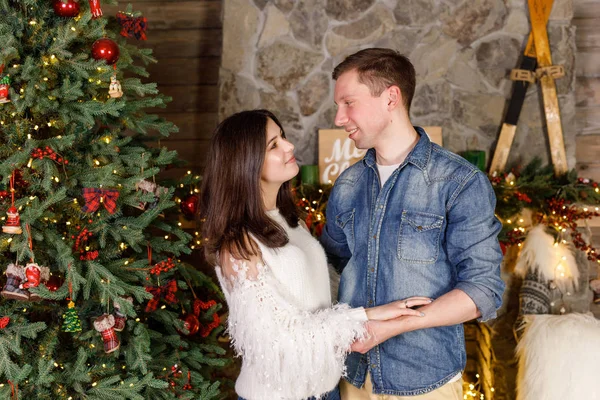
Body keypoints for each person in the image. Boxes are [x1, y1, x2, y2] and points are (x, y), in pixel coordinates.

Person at [200, 109, 432, 400]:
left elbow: (320, 297)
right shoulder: (238, 245)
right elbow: (281, 339)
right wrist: (368, 316)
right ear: (245, 164)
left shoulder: (287, 221)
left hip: (325, 390)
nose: (289, 146)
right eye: (273, 145)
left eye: (282, 137)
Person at [320, 48, 506, 399]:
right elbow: (331, 270)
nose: (339, 117)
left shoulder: (459, 181)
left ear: (391, 97)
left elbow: (483, 290)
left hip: (425, 383)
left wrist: (394, 327)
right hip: (351, 378)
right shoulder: (347, 185)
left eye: (348, 103)